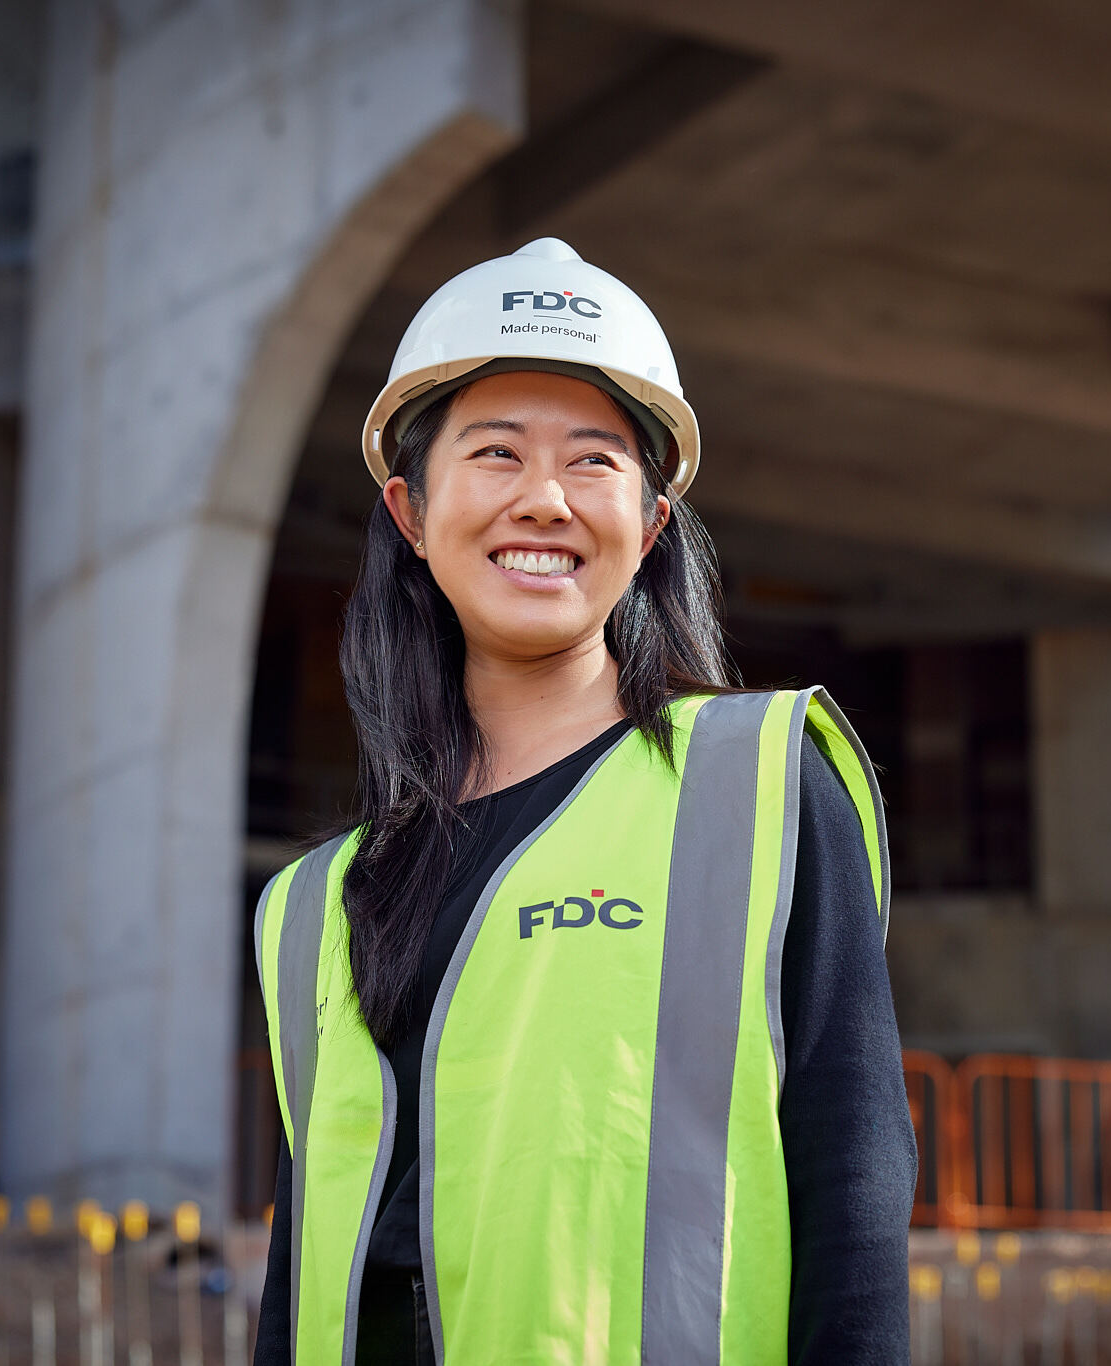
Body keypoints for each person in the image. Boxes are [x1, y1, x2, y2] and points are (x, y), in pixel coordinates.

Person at [250, 238, 916, 1365]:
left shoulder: (753, 789)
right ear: (411, 513)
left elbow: (851, 1182)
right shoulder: (314, 903)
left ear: (649, 525)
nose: (543, 500)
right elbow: (299, 1281)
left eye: (593, 462)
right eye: (496, 453)